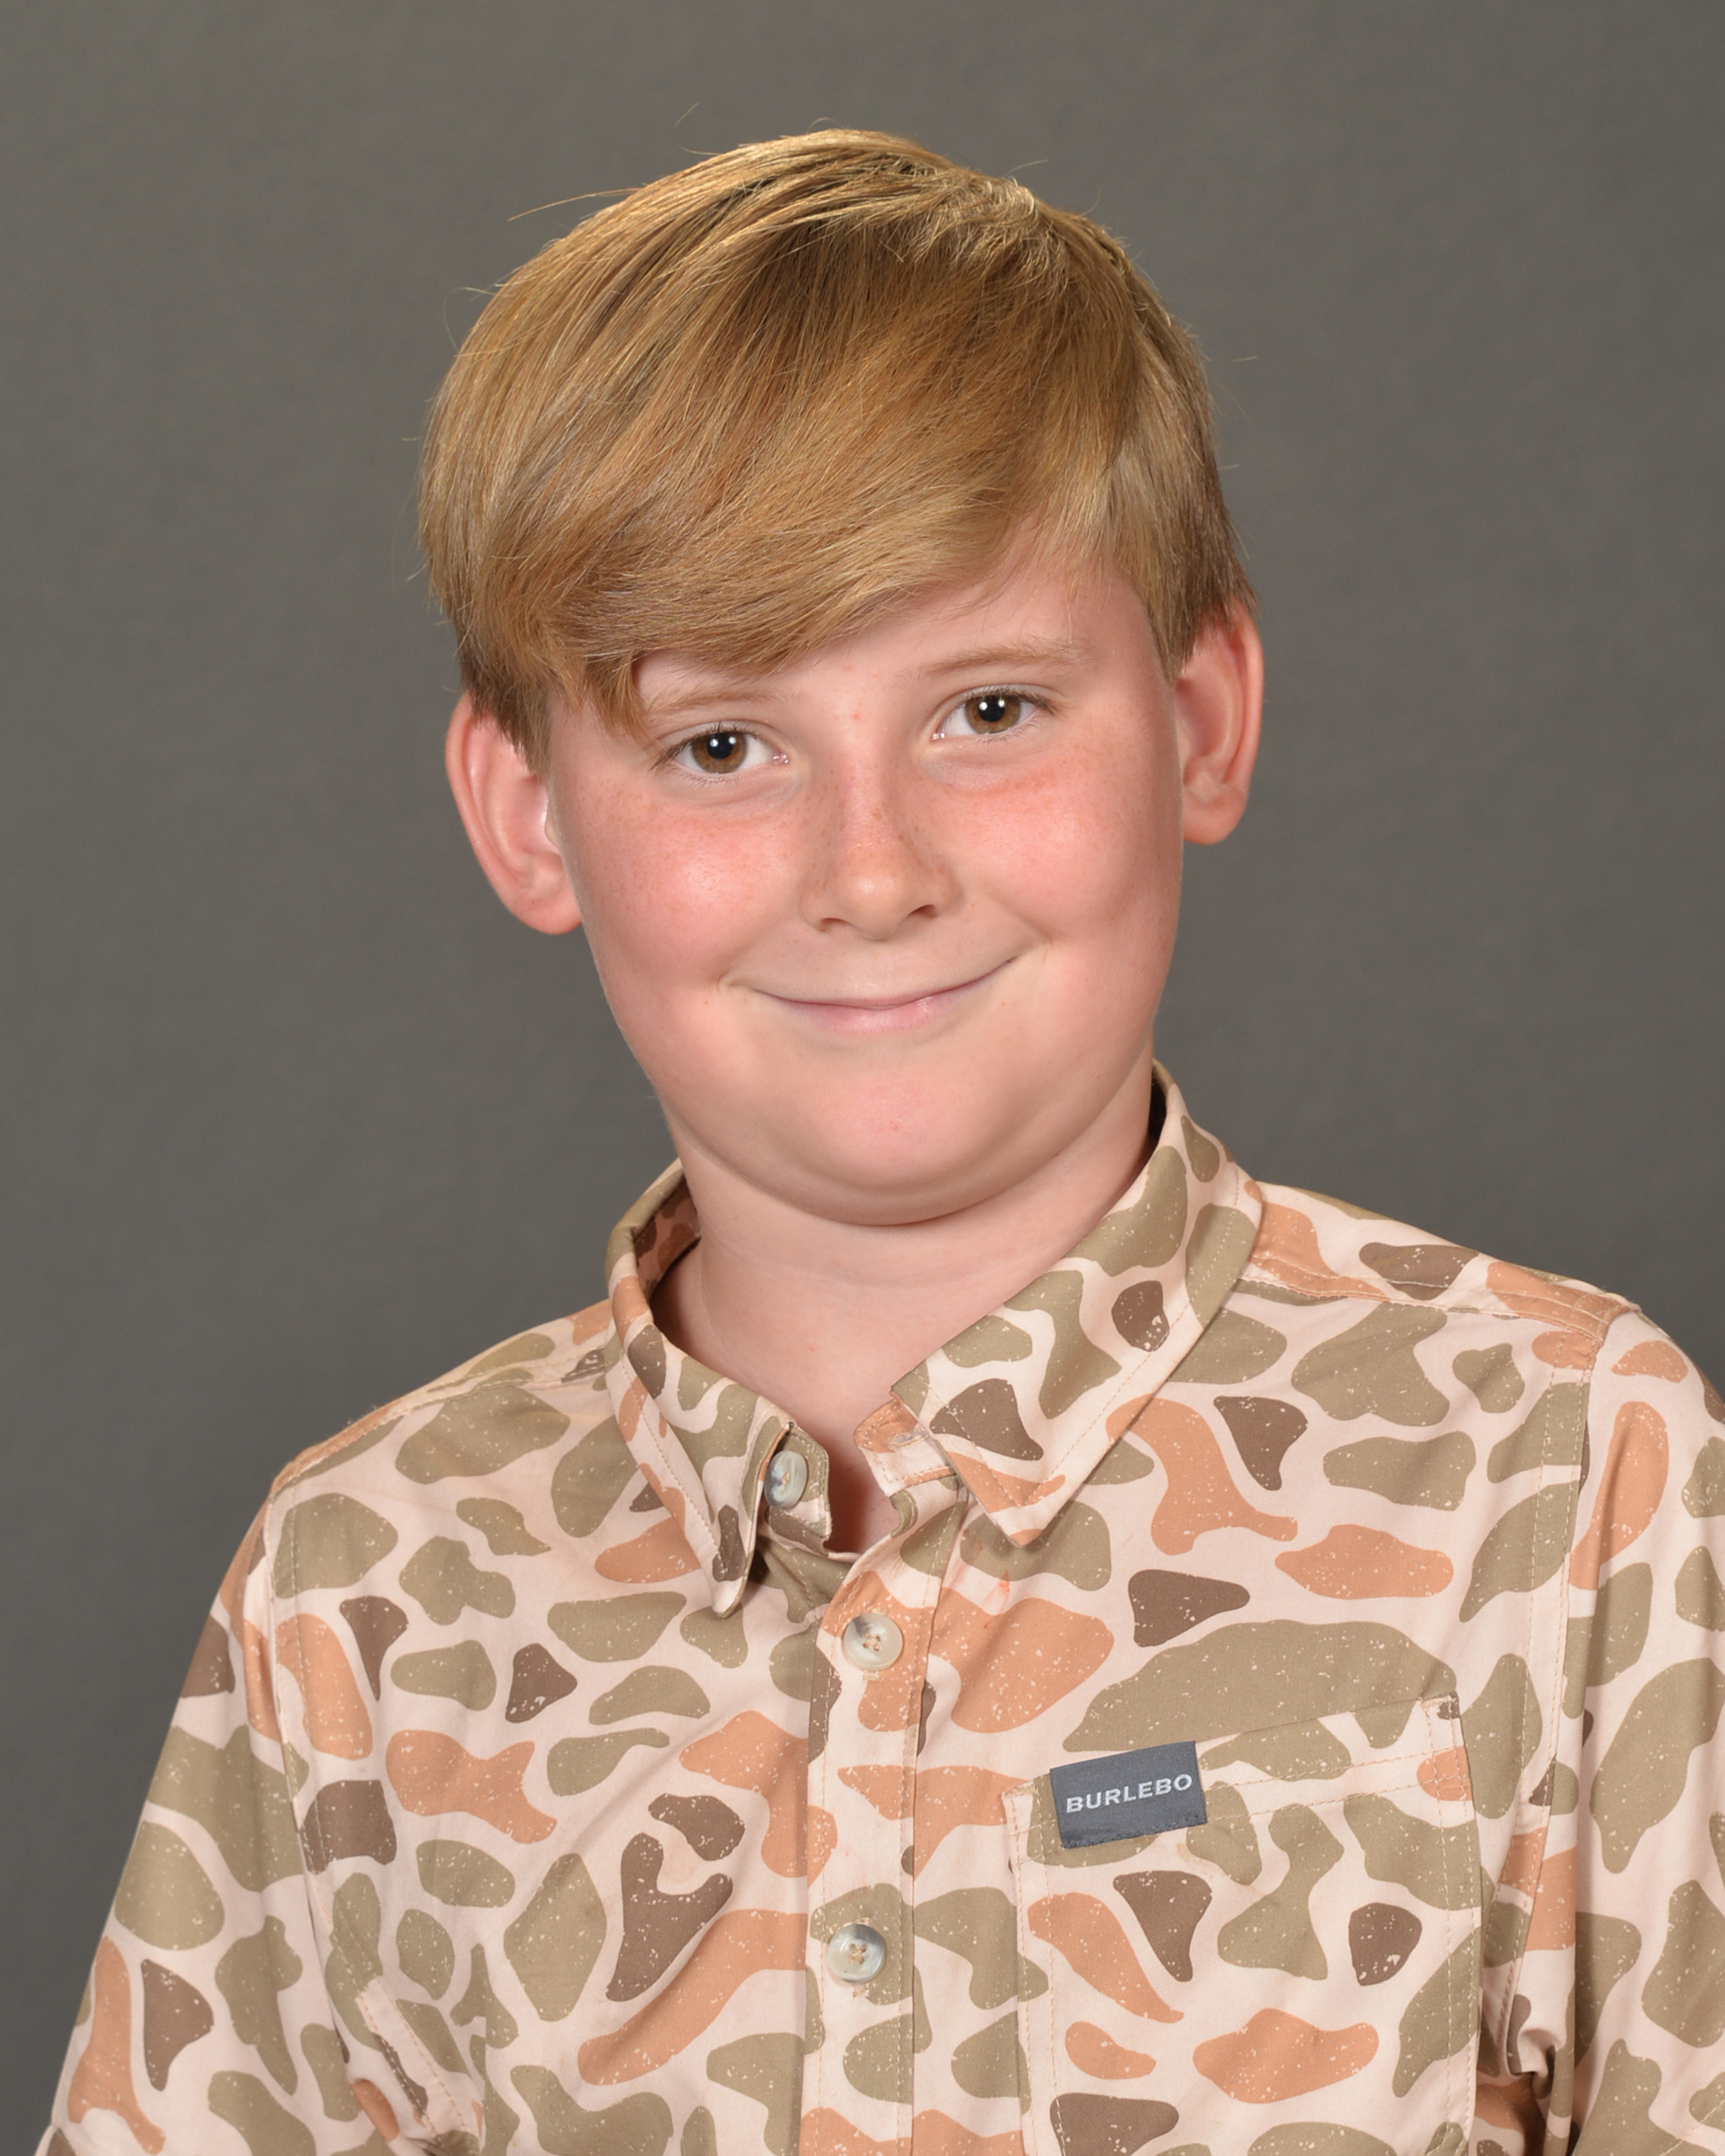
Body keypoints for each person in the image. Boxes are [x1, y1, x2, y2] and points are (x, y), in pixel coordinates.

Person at [40, 129, 1725, 2156]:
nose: (871, 871)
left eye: (988, 711)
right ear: (526, 813)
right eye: (722, 744)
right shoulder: (362, 1594)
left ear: (1199, 720)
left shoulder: (1562, 1474)